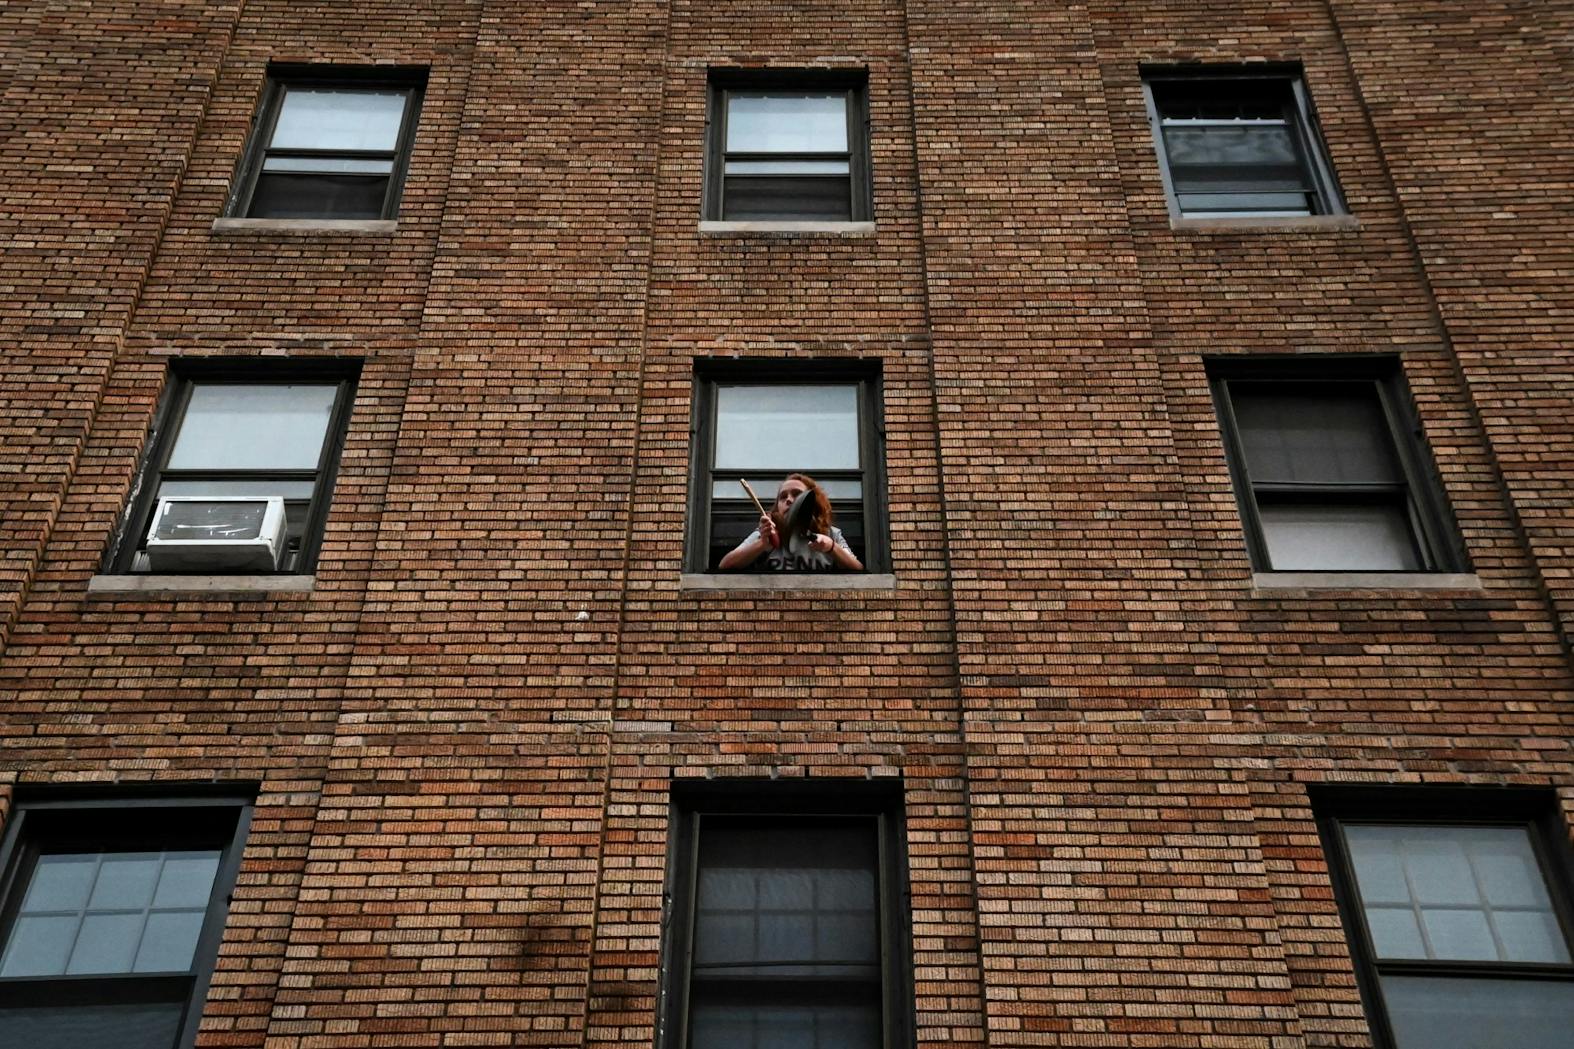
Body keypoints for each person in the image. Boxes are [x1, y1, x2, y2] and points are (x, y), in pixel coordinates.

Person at [719, 473, 865, 572]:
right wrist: (761, 544)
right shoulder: (767, 532)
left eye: (796, 494)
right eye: (783, 497)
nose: (788, 499)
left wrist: (832, 547)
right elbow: (725, 565)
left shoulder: (831, 534)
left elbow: (858, 569)